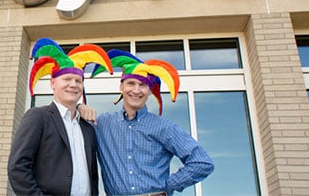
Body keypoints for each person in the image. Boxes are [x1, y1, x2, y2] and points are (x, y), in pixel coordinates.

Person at [79, 49, 214, 196]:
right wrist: (80, 106)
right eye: (131, 83)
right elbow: (71, 124)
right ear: (121, 87)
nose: (136, 90)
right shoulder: (102, 124)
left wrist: (167, 186)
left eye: (143, 85)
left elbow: (201, 162)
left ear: (150, 90)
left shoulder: (163, 127)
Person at [8, 38, 113, 195]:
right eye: (67, 79)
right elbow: (18, 168)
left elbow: (92, 176)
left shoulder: (87, 127)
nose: (73, 84)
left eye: (78, 81)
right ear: (53, 83)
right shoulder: (38, 117)